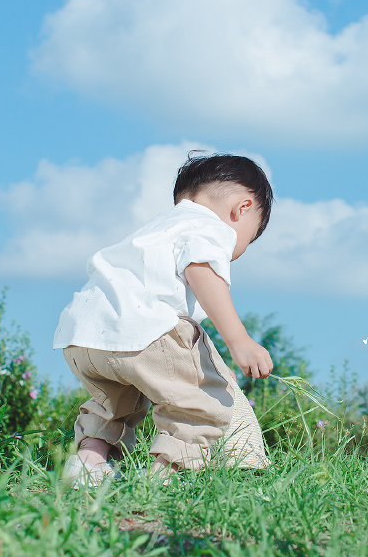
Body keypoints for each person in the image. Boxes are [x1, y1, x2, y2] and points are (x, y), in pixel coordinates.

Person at [53, 152, 275, 486]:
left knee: (113, 401)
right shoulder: (210, 227)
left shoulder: (157, 227)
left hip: (84, 334)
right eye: (249, 238)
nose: (237, 251)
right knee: (198, 397)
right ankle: (167, 473)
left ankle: (88, 462)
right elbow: (201, 269)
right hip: (147, 329)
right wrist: (239, 340)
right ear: (242, 208)